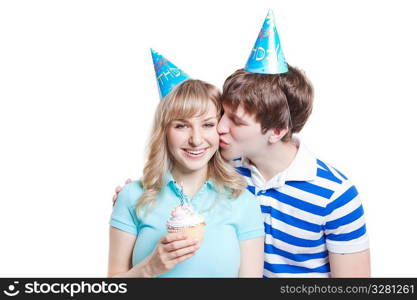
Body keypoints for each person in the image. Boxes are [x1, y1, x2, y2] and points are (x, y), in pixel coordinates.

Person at [113, 11, 371, 278]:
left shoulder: (335, 195)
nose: (220, 127)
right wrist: (136, 200)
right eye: (222, 115)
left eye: (235, 120)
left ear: (276, 131)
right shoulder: (227, 169)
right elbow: (176, 178)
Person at [108, 50, 265, 278]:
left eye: (208, 125)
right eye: (181, 126)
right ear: (164, 132)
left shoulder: (243, 202)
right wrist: (149, 268)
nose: (196, 139)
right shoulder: (132, 197)